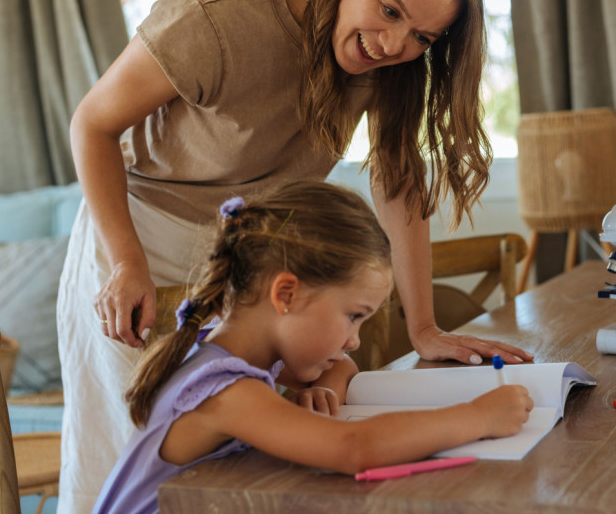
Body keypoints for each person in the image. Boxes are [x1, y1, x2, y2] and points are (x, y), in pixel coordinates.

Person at [57, 0, 532, 512]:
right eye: (389, 11)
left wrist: (423, 329)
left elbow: (398, 184)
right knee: (125, 453)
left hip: (241, 261)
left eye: (423, 38)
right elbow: (91, 125)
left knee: (246, 464)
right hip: (133, 242)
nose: (393, 45)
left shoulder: (391, 67)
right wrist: (126, 262)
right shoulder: (212, 25)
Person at [91, 181, 534, 514]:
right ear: (286, 295)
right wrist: (477, 416)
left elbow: (342, 365)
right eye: (353, 315)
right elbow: (354, 448)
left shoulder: (224, 350)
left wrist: (326, 385)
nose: (354, 338)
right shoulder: (224, 390)